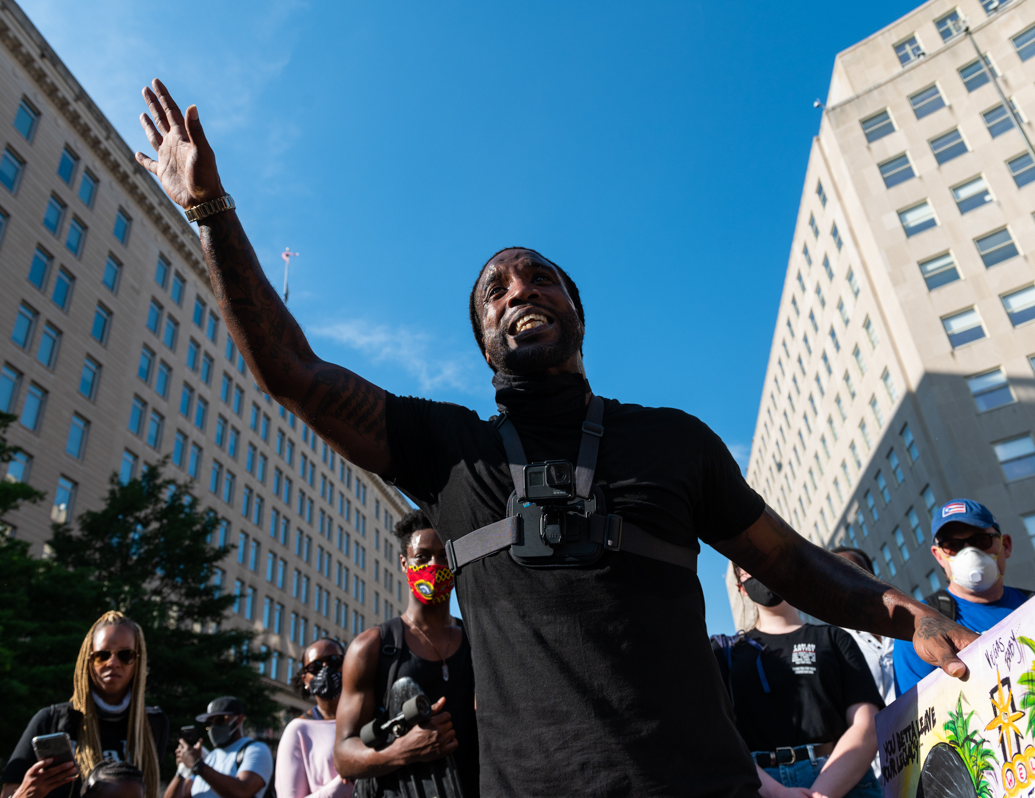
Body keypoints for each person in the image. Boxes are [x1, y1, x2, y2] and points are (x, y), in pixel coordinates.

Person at [133, 80, 976, 797]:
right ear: (483, 340)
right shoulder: (448, 453)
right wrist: (208, 209)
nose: (519, 290)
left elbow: (789, 562)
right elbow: (292, 373)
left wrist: (909, 615)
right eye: (495, 290)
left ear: (576, 312)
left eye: (539, 277)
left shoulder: (674, 441)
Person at [334, 511, 477, 798]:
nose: (434, 565)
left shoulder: (478, 642)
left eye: (443, 556)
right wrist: (404, 750)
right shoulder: (371, 647)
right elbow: (343, 757)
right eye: (422, 557)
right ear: (404, 563)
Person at [718, 566, 882, 798]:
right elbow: (720, 737)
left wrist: (820, 793)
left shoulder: (834, 639)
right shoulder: (727, 653)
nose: (762, 574)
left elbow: (866, 725)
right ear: (741, 588)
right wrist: (777, 792)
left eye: (764, 564)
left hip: (841, 778)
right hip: (761, 785)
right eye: (749, 570)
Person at [2, 611, 168, 798]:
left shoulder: (154, 724)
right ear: (88, 660)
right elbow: (8, 793)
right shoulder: (51, 720)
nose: (113, 663)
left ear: (138, 660)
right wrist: (25, 794)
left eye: (125, 655)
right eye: (102, 655)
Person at [893, 499, 1032, 695]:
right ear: (939, 556)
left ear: (1005, 545)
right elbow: (914, 710)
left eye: (980, 541)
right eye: (952, 545)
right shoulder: (918, 626)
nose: (969, 553)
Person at [275, 640, 352, 798]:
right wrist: (346, 782)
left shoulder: (368, 716)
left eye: (334, 661)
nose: (326, 669)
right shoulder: (298, 730)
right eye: (315, 667)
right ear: (305, 680)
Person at [164, 697, 272, 798]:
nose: (213, 727)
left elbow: (243, 791)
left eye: (220, 720)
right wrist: (183, 768)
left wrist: (197, 765)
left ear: (239, 719)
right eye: (209, 723)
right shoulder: (209, 758)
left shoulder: (256, 750)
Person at [829, 548, 895, 708]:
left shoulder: (907, 627)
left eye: (859, 572)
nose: (852, 581)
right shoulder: (835, 647)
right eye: (841, 575)